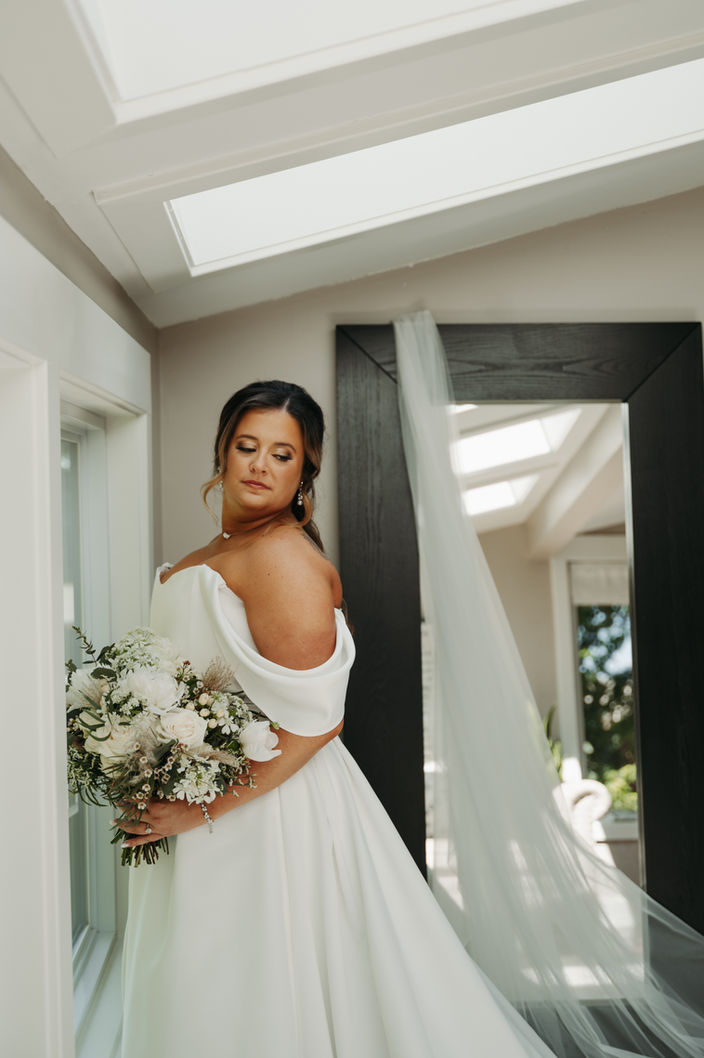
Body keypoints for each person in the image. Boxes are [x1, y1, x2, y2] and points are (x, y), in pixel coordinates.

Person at [120, 380, 557, 1058]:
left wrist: (197, 811)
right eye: (247, 446)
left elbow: (317, 725)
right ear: (222, 451)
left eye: (283, 454)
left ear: (305, 473)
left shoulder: (283, 559)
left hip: (267, 822)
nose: (261, 465)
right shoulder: (213, 553)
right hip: (209, 803)